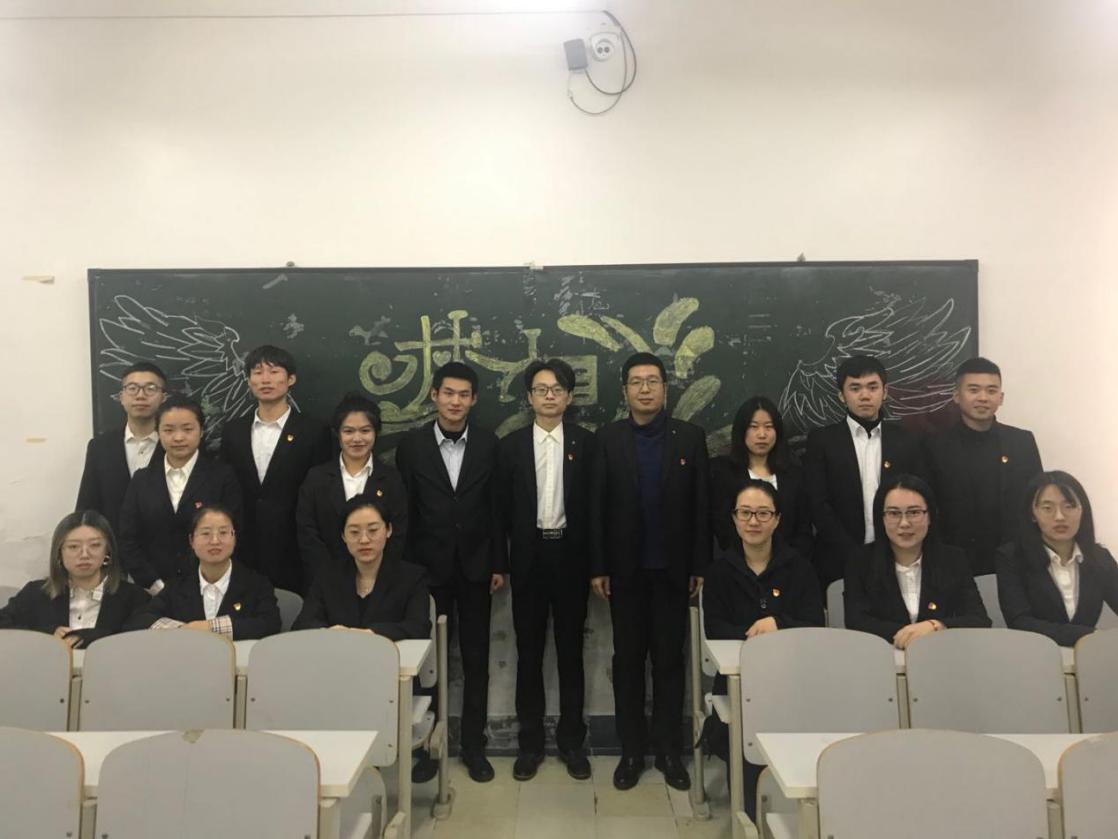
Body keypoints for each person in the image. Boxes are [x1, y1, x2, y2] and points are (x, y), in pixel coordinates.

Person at [590, 351, 710, 792]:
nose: (645, 389)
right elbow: (596, 507)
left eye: (653, 381)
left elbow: (701, 505)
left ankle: (668, 751)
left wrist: (699, 564)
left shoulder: (689, 438)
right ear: (624, 391)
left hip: (673, 571)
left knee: (669, 662)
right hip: (625, 573)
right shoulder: (608, 439)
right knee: (627, 662)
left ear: (665, 388)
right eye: (636, 382)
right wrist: (598, 566)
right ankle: (632, 752)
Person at [395, 361, 507, 783]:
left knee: (476, 660)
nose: (455, 401)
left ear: (474, 399)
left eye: (463, 394)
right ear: (434, 396)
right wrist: (408, 571)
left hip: (478, 568)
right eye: (448, 393)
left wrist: (498, 563)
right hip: (427, 571)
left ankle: (474, 748)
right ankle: (428, 746)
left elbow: (497, 510)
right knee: (429, 663)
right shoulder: (412, 446)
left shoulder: (490, 444)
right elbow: (406, 512)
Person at [497, 359, 596, 781]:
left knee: (572, 653)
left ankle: (572, 743)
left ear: (569, 397)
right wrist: (502, 563)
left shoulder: (587, 445)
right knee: (529, 652)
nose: (550, 396)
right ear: (529, 398)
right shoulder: (510, 447)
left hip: (572, 558)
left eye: (557, 389)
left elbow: (597, 510)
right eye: (541, 389)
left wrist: (597, 566)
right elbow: (499, 512)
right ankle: (530, 744)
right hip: (528, 557)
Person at [702, 479, 823, 820]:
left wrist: (778, 624)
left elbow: (814, 622)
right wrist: (758, 634)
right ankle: (751, 813)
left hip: (793, 678)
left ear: (777, 519)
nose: (753, 521)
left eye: (763, 513)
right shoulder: (719, 571)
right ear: (734, 518)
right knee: (742, 737)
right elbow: (716, 630)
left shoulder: (799, 567)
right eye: (745, 513)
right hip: (740, 680)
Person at [805, 355, 925, 591]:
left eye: (872, 387)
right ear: (841, 395)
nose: (865, 395)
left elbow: (919, 499)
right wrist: (852, 553)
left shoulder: (907, 441)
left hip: (898, 556)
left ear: (885, 391)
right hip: (838, 558)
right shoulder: (822, 441)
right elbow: (818, 504)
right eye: (855, 388)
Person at [220, 345, 331, 595]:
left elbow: (321, 493)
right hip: (244, 546)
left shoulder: (314, 431)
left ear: (291, 379)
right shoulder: (233, 431)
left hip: (295, 547)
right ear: (248, 380)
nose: (265, 379)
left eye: (274, 371)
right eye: (257, 372)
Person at [923, 357, 1043, 575]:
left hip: (1013, 561)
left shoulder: (1022, 442)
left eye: (991, 390)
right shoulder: (934, 447)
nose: (983, 398)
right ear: (956, 396)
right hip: (955, 563)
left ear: (1001, 397)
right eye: (973, 390)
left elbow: (1036, 502)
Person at [845, 474, 990, 648]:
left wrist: (936, 626)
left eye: (914, 512)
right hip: (882, 656)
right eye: (894, 513)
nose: (904, 523)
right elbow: (856, 622)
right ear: (881, 518)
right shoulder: (861, 561)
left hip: (941, 654)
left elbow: (979, 619)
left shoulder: (953, 559)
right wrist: (912, 635)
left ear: (930, 516)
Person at [118, 395, 243, 593]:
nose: (178, 438)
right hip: (151, 590)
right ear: (158, 432)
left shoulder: (222, 477)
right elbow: (128, 539)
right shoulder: (142, 480)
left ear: (201, 432)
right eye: (168, 430)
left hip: (209, 588)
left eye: (187, 429)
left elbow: (234, 532)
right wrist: (153, 584)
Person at [297, 392, 408, 588]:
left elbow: (397, 533)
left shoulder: (391, 479)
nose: (357, 439)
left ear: (375, 432)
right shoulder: (316, 478)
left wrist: (374, 575)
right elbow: (307, 532)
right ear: (338, 434)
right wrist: (330, 576)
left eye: (365, 431)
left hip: (379, 583)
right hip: (325, 582)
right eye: (348, 431)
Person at [996, 471, 1118, 647]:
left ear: (1082, 510)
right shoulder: (1012, 558)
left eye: (1069, 506)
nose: (1059, 516)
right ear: (1033, 514)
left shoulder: (1099, 558)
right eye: (1048, 508)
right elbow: (1020, 622)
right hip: (1037, 656)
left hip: (1087, 658)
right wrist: (1092, 636)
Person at [0, 510, 149, 648]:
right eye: (73, 547)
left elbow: (141, 640)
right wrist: (46, 636)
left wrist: (93, 637)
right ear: (59, 553)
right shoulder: (35, 593)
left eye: (95, 545)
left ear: (107, 552)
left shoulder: (134, 598)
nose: (84, 554)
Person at [130, 504, 280, 639]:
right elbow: (141, 620)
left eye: (223, 532)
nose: (215, 541)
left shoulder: (256, 584)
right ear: (191, 541)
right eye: (206, 533)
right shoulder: (177, 586)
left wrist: (211, 628)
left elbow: (270, 624)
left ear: (234, 538)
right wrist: (183, 630)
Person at [294, 497, 430, 640]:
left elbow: (419, 627)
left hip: (390, 653)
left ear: (388, 530)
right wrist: (328, 631)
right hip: (337, 651)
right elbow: (303, 623)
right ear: (343, 536)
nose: (364, 540)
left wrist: (372, 634)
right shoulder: (328, 576)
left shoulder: (412, 578)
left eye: (373, 530)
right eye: (354, 532)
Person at [709, 396, 812, 557]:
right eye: (754, 427)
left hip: (789, 564)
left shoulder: (795, 475)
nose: (762, 434)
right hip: (738, 564)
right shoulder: (723, 473)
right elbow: (723, 529)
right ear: (741, 430)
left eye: (769, 427)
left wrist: (786, 562)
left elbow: (803, 530)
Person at [75, 361, 168, 537]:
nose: (140, 395)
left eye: (150, 388)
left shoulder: (175, 446)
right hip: (113, 547)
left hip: (163, 548)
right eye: (132, 388)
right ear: (121, 397)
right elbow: (87, 507)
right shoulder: (100, 447)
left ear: (163, 397)